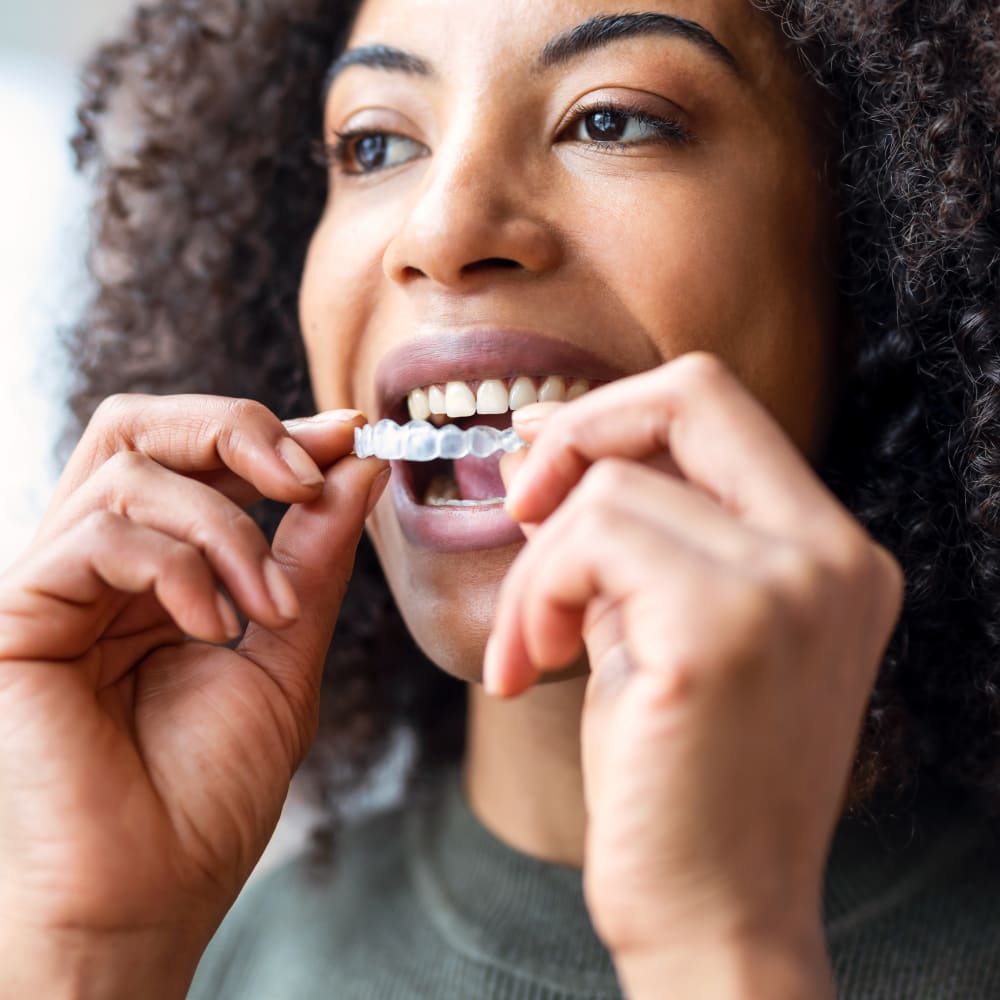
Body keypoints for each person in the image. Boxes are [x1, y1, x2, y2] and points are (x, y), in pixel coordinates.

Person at [1, 0, 998, 996]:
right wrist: (91, 946)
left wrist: (723, 947)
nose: (441, 228)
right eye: (375, 141)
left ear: (874, 237)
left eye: (611, 118)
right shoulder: (222, 953)